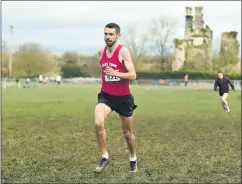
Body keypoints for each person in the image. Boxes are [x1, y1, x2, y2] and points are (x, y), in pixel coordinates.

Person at [94, 23, 137, 173]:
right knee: (98, 122)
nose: (107, 37)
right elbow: (103, 58)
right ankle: (105, 156)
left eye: (111, 34)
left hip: (123, 98)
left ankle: (133, 157)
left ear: (117, 36)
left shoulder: (123, 52)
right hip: (106, 96)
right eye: (105, 34)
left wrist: (115, 73)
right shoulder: (101, 51)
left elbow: (133, 75)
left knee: (127, 134)